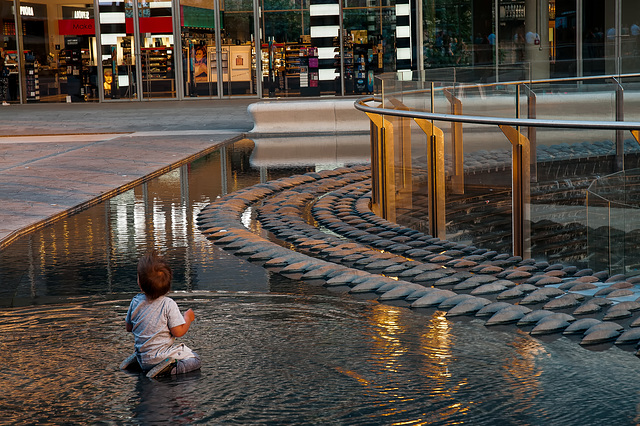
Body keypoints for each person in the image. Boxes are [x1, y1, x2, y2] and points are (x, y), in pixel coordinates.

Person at [121, 250, 201, 378]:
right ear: (167, 287)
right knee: (195, 359)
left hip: (143, 357)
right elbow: (178, 332)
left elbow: (128, 328)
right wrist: (188, 318)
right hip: (160, 357)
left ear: (140, 284)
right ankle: (169, 369)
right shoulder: (168, 304)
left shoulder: (135, 301)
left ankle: (137, 361)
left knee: (147, 352)